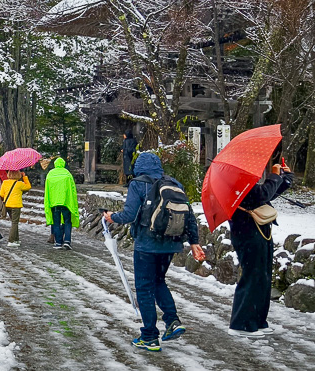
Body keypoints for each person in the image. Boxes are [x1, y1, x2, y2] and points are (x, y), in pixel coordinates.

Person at [103, 152, 205, 352]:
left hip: (147, 245)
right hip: (171, 244)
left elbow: (129, 214)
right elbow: (189, 216)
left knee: (144, 288)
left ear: (139, 167)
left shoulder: (138, 183)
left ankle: (149, 336)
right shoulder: (174, 184)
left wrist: (111, 217)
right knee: (158, 281)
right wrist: (194, 242)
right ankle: (172, 321)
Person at [228, 147, 293, 337]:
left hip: (260, 230)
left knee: (263, 276)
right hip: (246, 232)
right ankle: (241, 324)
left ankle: (258, 320)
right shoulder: (236, 177)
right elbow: (260, 196)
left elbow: (267, 194)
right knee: (252, 276)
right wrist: (274, 177)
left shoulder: (246, 176)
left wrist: (285, 178)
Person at [44, 158, 80, 250]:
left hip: (54, 202)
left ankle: (58, 242)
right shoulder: (67, 174)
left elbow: (47, 190)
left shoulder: (50, 174)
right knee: (67, 221)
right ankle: (67, 241)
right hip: (66, 202)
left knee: (56, 222)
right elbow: (72, 189)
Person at [0, 170, 32, 247]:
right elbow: (28, 187)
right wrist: (24, 177)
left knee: (14, 222)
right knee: (14, 223)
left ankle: (16, 239)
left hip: (7, 205)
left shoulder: (5, 182)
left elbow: (1, 193)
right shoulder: (19, 184)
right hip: (16, 205)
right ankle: (11, 240)